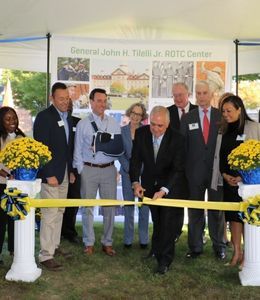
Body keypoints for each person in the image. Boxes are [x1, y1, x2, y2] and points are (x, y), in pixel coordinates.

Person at [130, 106, 186, 275]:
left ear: (167, 124)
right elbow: (135, 161)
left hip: (169, 187)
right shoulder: (141, 134)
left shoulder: (178, 139)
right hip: (149, 186)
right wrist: (135, 183)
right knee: (157, 221)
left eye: (160, 126)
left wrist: (163, 190)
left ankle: (165, 260)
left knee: (168, 224)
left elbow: (178, 169)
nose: (155, 128)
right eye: (153, 124)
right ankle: (155, 250)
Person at [180, 80, 226, 260]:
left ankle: (219, 245)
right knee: (195, 211)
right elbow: (183, 147)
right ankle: (195, 246)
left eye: (204, 93)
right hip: (194, 173)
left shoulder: (220, 116)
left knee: (216, 210)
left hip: (216, 173)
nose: (201, 97)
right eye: (198, 94)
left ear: (211, 94)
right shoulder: (188, 118)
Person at [73, 88, 121, 256]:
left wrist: (116, 169)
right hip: (89, 169)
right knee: (87, 208)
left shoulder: (113, 123)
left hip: (108, 170)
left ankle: (107, 242)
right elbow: (77, 150)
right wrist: (81, 170)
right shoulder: (82, 124)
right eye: (99, 100)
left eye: (104, 100)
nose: (102, 104)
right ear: (91, 102)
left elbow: (118, 148)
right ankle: (89, 242)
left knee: (110, 208)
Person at [33, 82, 75, 271]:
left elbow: (67, 149)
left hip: (64, 172)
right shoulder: (44, 117)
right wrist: (48, 174)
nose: (65, 102)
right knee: (50, 214)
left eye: (67, 98)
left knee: (59, 211)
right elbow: (41, 150)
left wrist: (71, 170)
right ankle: (45, 255)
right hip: (51, 175)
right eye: (61, 99)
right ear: (52, 98)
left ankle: (54, 246)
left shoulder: (67, 117)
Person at [214, 95, 260, 267]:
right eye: (223, 111)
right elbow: (220, 157)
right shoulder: (223, 130)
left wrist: (242, 176)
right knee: (233, 217)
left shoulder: (254, 127)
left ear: (239, 109)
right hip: (229, 182)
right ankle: (237, 253)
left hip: (249, 184)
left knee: (247, 217)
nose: (226, 114)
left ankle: (249, 254)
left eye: (229, 111)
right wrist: (225, 175)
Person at [167, 82, 197, 241]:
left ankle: (196, 236)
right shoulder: (167, 112)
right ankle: (175, 233)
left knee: (196, 204)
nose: (177, 98)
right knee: (175, 203)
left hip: (195, 167)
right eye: (175, 95)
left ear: (188, 94)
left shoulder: (198, 111)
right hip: (174, 168)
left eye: (180, 95)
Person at [119, 103, 149, 249]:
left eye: (139, 114)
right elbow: (120, 153)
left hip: (144, 174)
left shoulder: (146, 132)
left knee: (144, 207)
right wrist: (130, 170)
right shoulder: (121, 131)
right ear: (129, 113)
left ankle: (144, 239)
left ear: (142, 117)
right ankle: (128, 240)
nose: (136, 116)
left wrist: (140, 170)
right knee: (129, 207)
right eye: (133, 113)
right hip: (126, 174)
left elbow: (148, 155)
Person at [0, 107, 25, 264]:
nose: (12, 122)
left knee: (15, 220)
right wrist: (8, 175)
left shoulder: (21, 137)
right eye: (8, 119)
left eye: (14, 118)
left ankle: (15, 251)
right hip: (2, 184)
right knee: (1, 222)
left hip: (18, 186)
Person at [61, 100, 81, 244]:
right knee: (58, 202)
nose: (68, 107)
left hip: (74, 168)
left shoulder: (78, 123)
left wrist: (73, 170)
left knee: (73, 200)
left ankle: (69, 231)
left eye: (70, 105)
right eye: (66, 104)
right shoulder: (55, 122)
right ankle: (58, 231)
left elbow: (79, 148)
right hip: (59, 169)